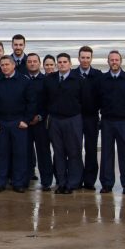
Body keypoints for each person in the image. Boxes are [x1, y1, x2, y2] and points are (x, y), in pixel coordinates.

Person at [41, 53, 90, 194]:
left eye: (65, 62)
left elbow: (85, 101)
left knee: (74, 152)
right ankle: (61, 182)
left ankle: (73, 183)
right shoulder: (50, 80)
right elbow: (44, 100)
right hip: (55, 120)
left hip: (73, 119)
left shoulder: (79, 80)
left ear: (70, 64)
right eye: (60, 62)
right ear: (57, 64)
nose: (62, 64)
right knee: (58, 152)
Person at [0, 56, 34, 193]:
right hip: (1, 123)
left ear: (13, 65)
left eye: (7, 64)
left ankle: (18, 183)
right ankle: (0, 183)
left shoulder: (24, 81)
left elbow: (31, 103)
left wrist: (26, 120)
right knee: (0, 154)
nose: (4, 67)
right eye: (2, 65)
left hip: (18, 122)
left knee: (20, 154)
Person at [97, 50, 125, 194]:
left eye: (116, 60)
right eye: (112, 60)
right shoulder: (102, 79)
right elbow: (97, 99)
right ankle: (107, 183)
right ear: (108, 62)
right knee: (106, 153)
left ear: (121, 61)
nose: (114, 62)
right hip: (107, 121)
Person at [76, 45, 103, 190]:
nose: (85, 60)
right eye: (83, 57)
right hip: (75, 117)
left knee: (91, 149)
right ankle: (76, 178)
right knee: (75, 149)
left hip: (92, 117)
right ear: (78, 58)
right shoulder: (73, 74)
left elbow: (103, 96)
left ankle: (90, 180)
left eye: (88, 58)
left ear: (91, 58)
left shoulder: (98, 75)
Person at [25, 53, 53, 191]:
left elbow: (49, 102)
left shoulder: (46, 80)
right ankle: (24, 179)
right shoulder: (22, 79)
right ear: (26, 64)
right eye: (29, 61)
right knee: (25, 152)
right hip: (25, 123)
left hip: (41, 123)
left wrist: (40, 116)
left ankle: (46, 181)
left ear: (39, 63)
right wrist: (26, 118)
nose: (32, 63)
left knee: (43, 152)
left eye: (35, 61)